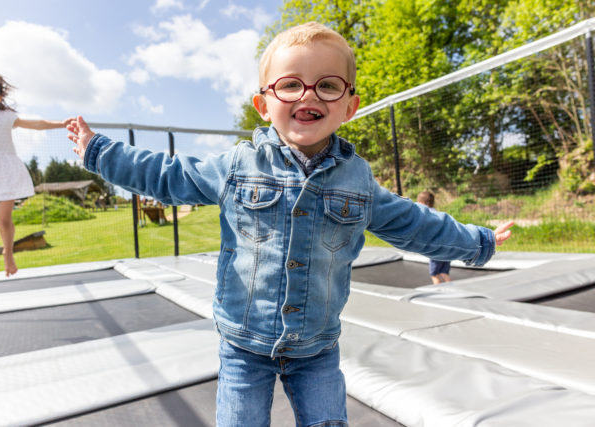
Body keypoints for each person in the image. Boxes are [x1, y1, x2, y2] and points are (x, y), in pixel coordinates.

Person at [67, 22, 514, 426]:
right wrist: (99, 151)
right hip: (244, 346)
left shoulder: (357, 180)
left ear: (350, 106)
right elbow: (167, 176)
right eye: (292, 85)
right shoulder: (237, 165)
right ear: (264, 104)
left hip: (317, 350)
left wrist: (478, 242)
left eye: (327, 85)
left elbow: (413, 223)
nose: (309, 95)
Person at [0, 72, 71, 277]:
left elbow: (37, 124)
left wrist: (62, 124)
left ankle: (8, 252)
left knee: (3, 218)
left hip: (4, 170)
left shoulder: (6, 117)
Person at [417, 190, 452, 284]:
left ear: (421, 203)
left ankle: (438, 294)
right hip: (447, 247)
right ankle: (452, 292)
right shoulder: (438, 213)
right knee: (444, 273)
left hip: (436, 248)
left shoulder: (424, 214)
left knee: (434, 274)